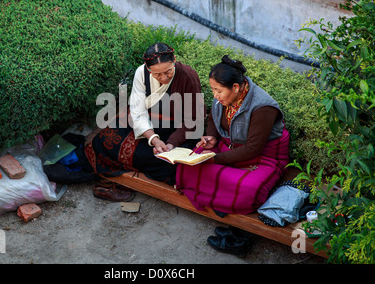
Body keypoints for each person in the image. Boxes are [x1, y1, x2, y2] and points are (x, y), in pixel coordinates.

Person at [84, 42, 205, 200]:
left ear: (174, 60)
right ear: (149, 69)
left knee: (172, 164)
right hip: (148, 126)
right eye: (157, 74)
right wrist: (154, 139)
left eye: (168, 71)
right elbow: (137, 110)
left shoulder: (188, 76)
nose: (163, 78)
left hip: (178, 131)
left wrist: (170, 144)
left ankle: (134, 172)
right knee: (105, 140)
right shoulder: (141, 73)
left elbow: (193, 119)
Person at [175, 55, 290, 216]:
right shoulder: (223, 98)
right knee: (187, 166)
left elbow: (252, 149)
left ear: (235, 87)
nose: (215, 95)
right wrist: (212, 137)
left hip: (262, 158)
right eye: (213, 90)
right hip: (226, 148)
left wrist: (214, 158)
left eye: (218, 90)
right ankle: (221, 198)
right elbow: (214, 119)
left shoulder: (263, 107)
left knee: (248, 190)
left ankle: (219, 197)